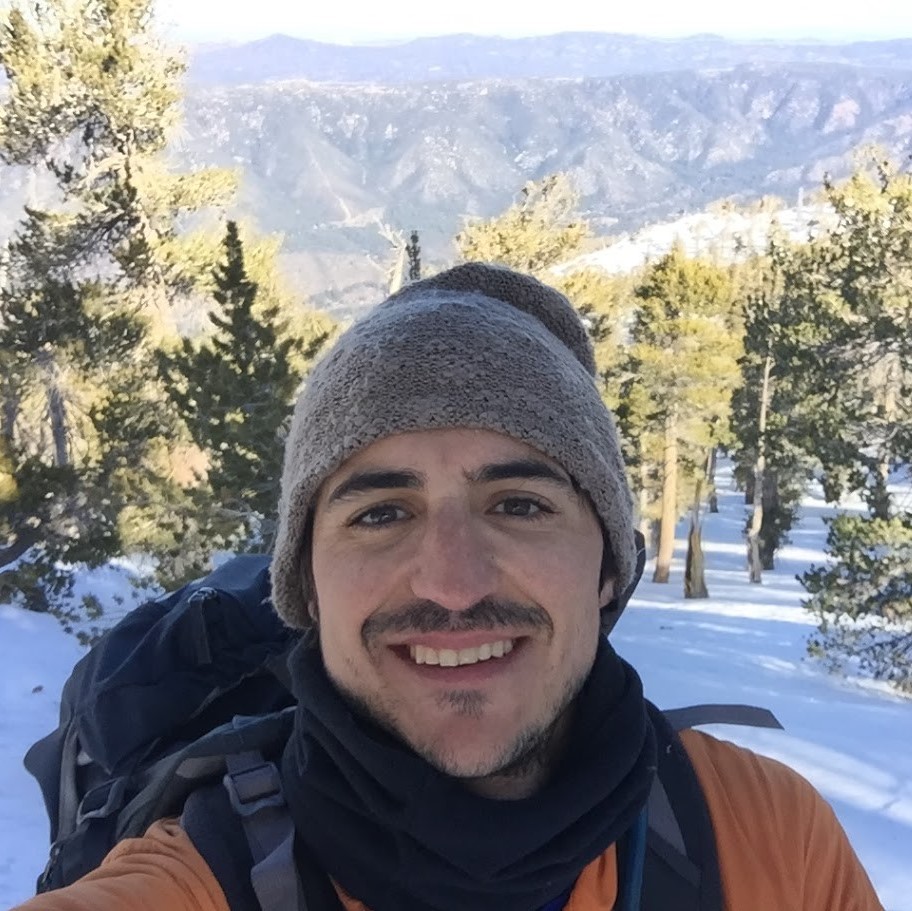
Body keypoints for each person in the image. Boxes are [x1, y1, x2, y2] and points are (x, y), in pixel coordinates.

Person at [12, 263, 881, 911]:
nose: (453, 582)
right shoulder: (199, 877)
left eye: (519, 504)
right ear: (305, 588)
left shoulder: (768, 838)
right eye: (381, 513)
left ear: (610, 566)